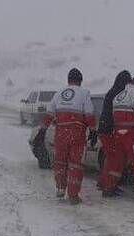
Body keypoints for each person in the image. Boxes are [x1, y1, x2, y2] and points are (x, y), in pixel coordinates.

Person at [42, 68, 96, 205]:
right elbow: (89, 113)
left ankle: (60, 188)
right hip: (77, 133)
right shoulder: (84, 93)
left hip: (60, 132)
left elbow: (49, 114)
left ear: (68, 80)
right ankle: (73, 195)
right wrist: (93, 130)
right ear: (80, 80)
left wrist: (43, 129)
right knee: (75, 164)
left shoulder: (58, 93)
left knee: (60, 161)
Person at [103, 75, 134, 203]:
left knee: (117, 163)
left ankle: (109, 188)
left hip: (118, 134)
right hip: (131, 135)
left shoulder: (119, 95)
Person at [96, 70, 131, 193]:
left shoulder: (111, 92)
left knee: (110, 158)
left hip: (104, 129)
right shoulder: (120, 94)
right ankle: (109, 187)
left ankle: (103, 183)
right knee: (116, 160)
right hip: (109, 130)